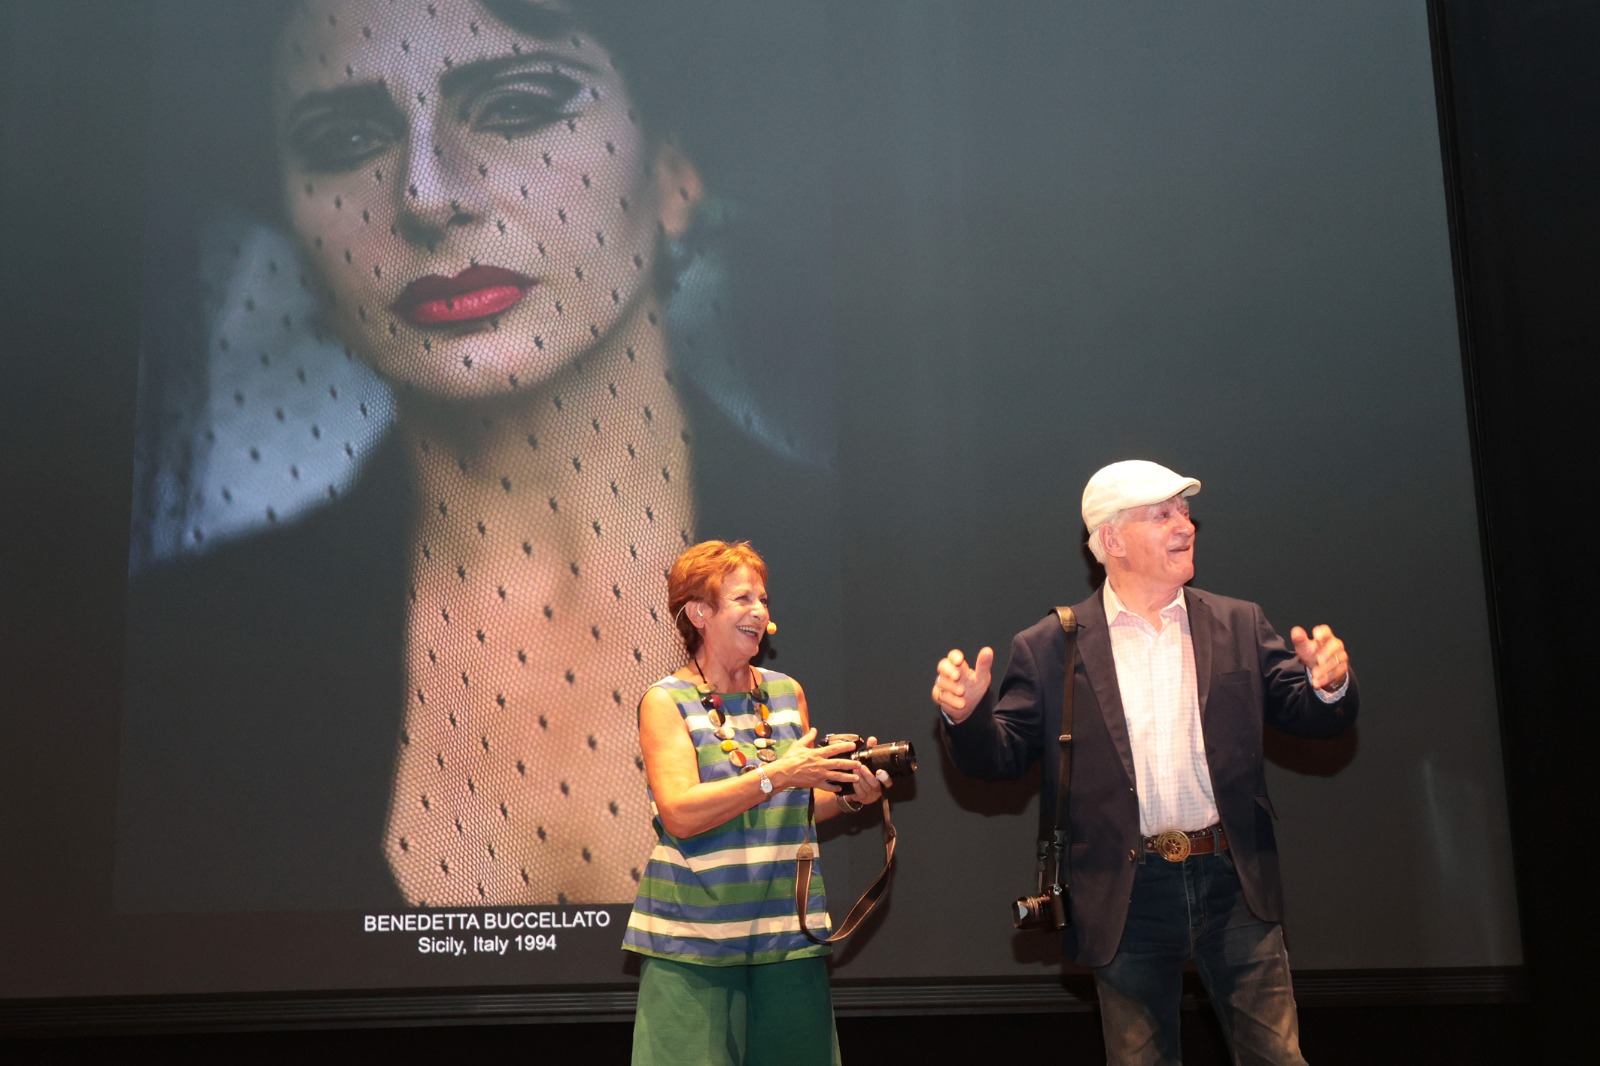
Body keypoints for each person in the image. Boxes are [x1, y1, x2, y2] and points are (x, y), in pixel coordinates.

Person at [115, 0, 835, 912]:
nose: (424, 194)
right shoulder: (195, 663)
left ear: (673, 167)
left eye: (519, 106)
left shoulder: (879, 572)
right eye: (344, 138)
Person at [933, 460, 1357, 1066]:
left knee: (1278, 1058)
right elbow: (997, 759)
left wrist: (1328, 686)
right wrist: (966, 717)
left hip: (1233, 879)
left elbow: (1310, 715)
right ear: (1111, 541)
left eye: (1184, 511)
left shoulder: (1238, 623)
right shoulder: (1051, 646)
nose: (1185, 525)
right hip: (1124, 889)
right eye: (1162, 514)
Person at [623, 540, 887, 1066]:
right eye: (742, 599)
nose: (760, 612)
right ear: (699, 612)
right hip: (694, 945)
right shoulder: (665, 700)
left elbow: (798, 802)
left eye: (763, 600)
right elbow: (680, 811)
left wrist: (852, 795)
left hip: (788, 936)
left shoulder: (786, 692)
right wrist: (778, 774)